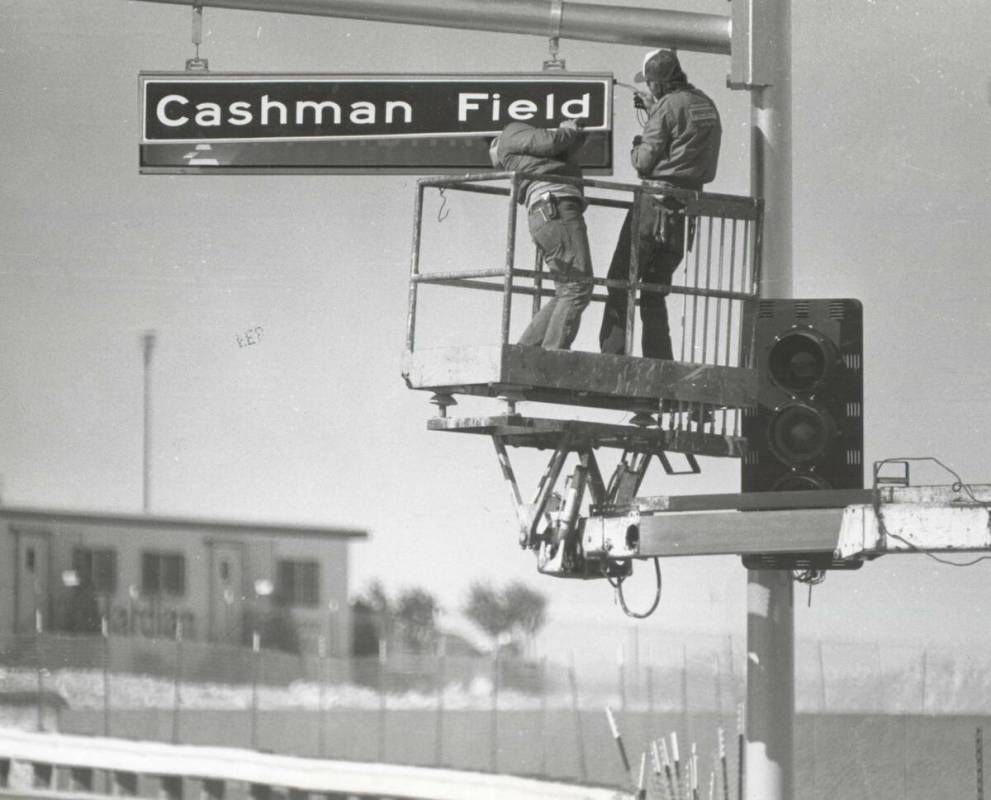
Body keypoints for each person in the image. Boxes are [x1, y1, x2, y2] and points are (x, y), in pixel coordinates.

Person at [599, 49, 722, 360]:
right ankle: (659, 359)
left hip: (654, 204)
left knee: (619, 281)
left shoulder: (665, 108)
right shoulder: (705, 103)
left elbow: (643, 162)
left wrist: (639, 140)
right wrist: (658, 110)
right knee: (655, 290)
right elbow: (684, 136)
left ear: (656, 83)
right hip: (687, 208)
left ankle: (613, 357)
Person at [489, 119, 593, 350]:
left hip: (549, 212)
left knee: (565, 291)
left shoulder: (523, 154)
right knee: (578, 287)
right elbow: (548, 143)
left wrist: (573, 136)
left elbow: (554, 150)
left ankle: (524, 355)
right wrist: (568, 130)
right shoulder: (512, 131)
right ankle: (549, 361)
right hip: (556, 207)